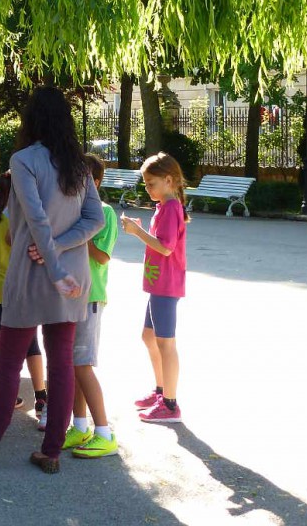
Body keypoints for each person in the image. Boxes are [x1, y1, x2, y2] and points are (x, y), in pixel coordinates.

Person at [0, 86, 104, 473]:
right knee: (60, 361)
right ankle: (51, 452)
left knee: (8, 360)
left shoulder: (25, 159)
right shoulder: (78, 164)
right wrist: (61, 251)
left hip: (37, 273)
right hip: (69, 272)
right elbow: (93, 220)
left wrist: (51, 257)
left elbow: (35, 217)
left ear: (30, 119)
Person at [121, 151, 188, 424]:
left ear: (169, 180)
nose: (147, 188)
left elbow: (166, 247)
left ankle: (170, 404)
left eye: (151, 183)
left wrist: (137, 233)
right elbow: (160, 240)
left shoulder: (171, 207)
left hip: (166, 285)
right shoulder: (164, 206)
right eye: (146, 184)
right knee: (149, 338)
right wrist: (141, 231)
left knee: (165, 343)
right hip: (159, 284)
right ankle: (161, 392)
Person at [0, 171, 47, 425]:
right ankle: (41, 396)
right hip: (21, 287)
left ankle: (4, 396)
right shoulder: (22, 219)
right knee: (31, 343)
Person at [62, 153, 119, 457]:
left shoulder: (105, 213)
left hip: (91, 297)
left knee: (83, 365)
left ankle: (104, 432)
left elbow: (102, 256)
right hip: (72, 295)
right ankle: (81, 426)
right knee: (73, 365)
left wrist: (79, 234)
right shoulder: (74, 211)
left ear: (95, 182)